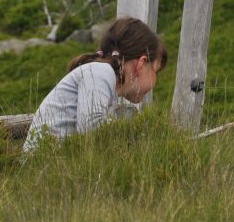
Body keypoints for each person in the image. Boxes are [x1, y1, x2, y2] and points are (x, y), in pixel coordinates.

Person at [23, 17, 167, 152]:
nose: (156, 81)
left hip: (52, 161)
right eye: (156, 71)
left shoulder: (103, 78)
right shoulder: (100, 72)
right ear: (141, 64)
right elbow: (89, 130)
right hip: (43, 164)